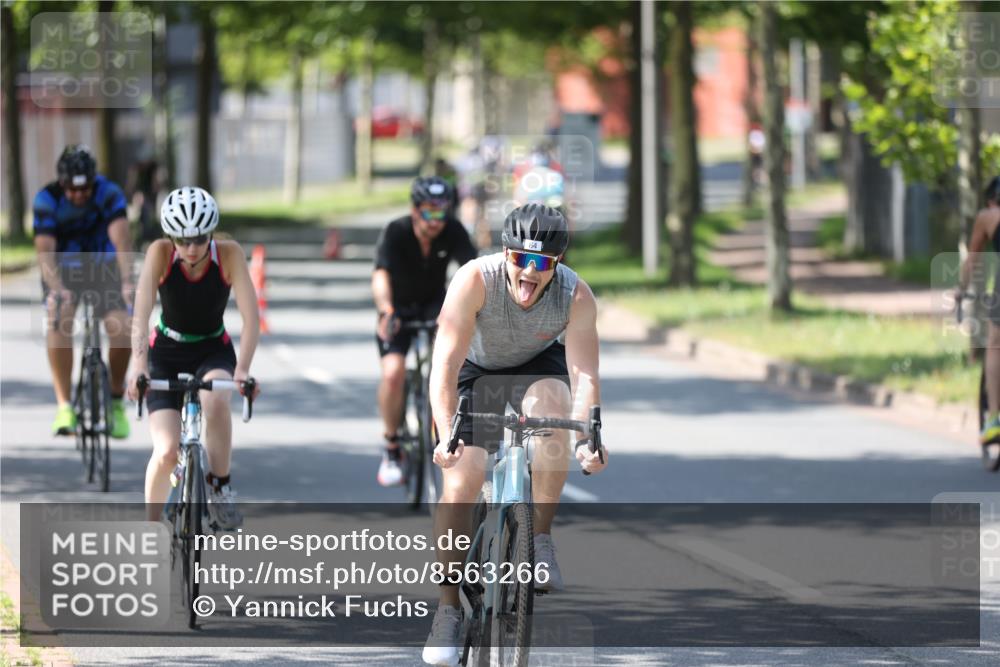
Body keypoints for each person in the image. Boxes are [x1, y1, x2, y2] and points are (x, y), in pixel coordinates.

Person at [422, 203, 609, 665]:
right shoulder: (473, 280)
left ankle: (538, 537)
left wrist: (588, 436)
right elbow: (443, 364)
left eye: (542, 262)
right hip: (474, 368)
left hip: (534, 366)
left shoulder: (575, 295)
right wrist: (447, 432)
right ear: (504, 254)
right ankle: (447, 610)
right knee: (463, 479)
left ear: (557, 263)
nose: (529, 271)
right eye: (520, 259)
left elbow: (583, 375)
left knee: (554, 416)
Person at [126, 187, 260, 529]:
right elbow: (140, 316)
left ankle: (220, 485)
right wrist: (139, 366)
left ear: (211, 233)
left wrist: (242, 369)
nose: (190, 248)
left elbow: (251, 318)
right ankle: (151, 527)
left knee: (216, 399)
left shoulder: (229, 255)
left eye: (199, 239)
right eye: (182, 240)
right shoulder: (160, 253)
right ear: (171, 238)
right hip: (166, 351)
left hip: (212, 347)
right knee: (168, 450)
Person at [373, 176, 478, 487]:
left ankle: (442, 431)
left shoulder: (454, 231)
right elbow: (381, 275)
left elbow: (472, 272)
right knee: (393, 372)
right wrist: (386, 309)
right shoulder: (396, 231)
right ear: (414, 210)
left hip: (436, 308)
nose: (436, 221)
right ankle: (392, 446)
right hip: (398, 309)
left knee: (447, 370)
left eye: (442, 212)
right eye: (429, 213)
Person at [33, 145, 134, 439]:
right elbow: (45, 253)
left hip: (104, 268)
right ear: (61, 183)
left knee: (123, 327)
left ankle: (115, 398)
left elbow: (122, 240)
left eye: (85, 189)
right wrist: (58, 291)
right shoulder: (46, 199)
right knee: (58, 317)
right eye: (72, 190)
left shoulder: (109, 193)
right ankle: (64, 405)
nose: (79, 195)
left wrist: (127, 282)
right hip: (63, 271)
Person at [959, 175, 1000, 443]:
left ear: (991, 200)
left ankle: (994, 418)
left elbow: (972, 260)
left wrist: (961, 290)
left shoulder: (988, 217)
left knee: (995, 345)